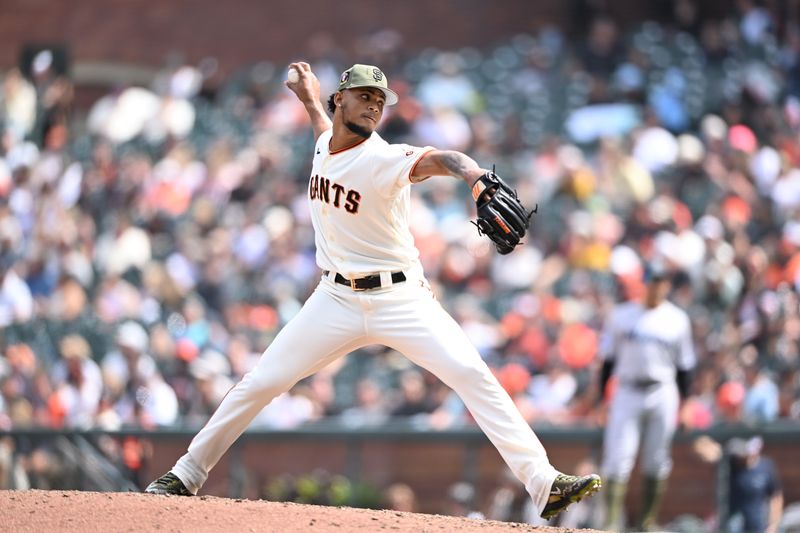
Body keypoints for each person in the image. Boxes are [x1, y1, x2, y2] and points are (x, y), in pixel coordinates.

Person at [144, 61, 601, 520]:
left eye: (380, 101)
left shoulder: (385, 158)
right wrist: (307, 98)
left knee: (472, 374)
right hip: (334, 299)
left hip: (400, 298)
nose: (374, 106)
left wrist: (475, 177)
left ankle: (544, 483)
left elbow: (445, 159)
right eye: (365, 96)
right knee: (261, 382)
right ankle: (186, 474)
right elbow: (324, 131)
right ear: (340, 98)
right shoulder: (326, 143)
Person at [599, 262, 697, 531]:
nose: (656, 286)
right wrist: (601, 400)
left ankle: (647, 522)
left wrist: (687, 403)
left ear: (667, 286)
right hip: (627, 390)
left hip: (662, 391)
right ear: (644, 284)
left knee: (657, 459)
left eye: (661, 281)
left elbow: (685, 367)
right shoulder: (621, 316)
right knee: (618, 458)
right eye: (652, 281)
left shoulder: (677, 319)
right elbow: (607, 362)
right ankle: (611, 524)